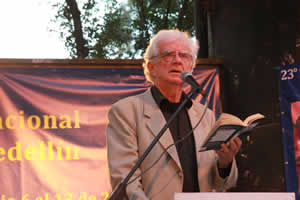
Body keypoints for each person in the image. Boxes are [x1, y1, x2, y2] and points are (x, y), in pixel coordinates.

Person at [106, 29, 242, 200]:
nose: (177, 61)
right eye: (168, 55)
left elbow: (222, 183)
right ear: (151, 67)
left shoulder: (204, 115)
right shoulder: (126, 111)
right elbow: (125, 182)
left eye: (184, 56)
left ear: (191, 67)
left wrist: (225, 162)